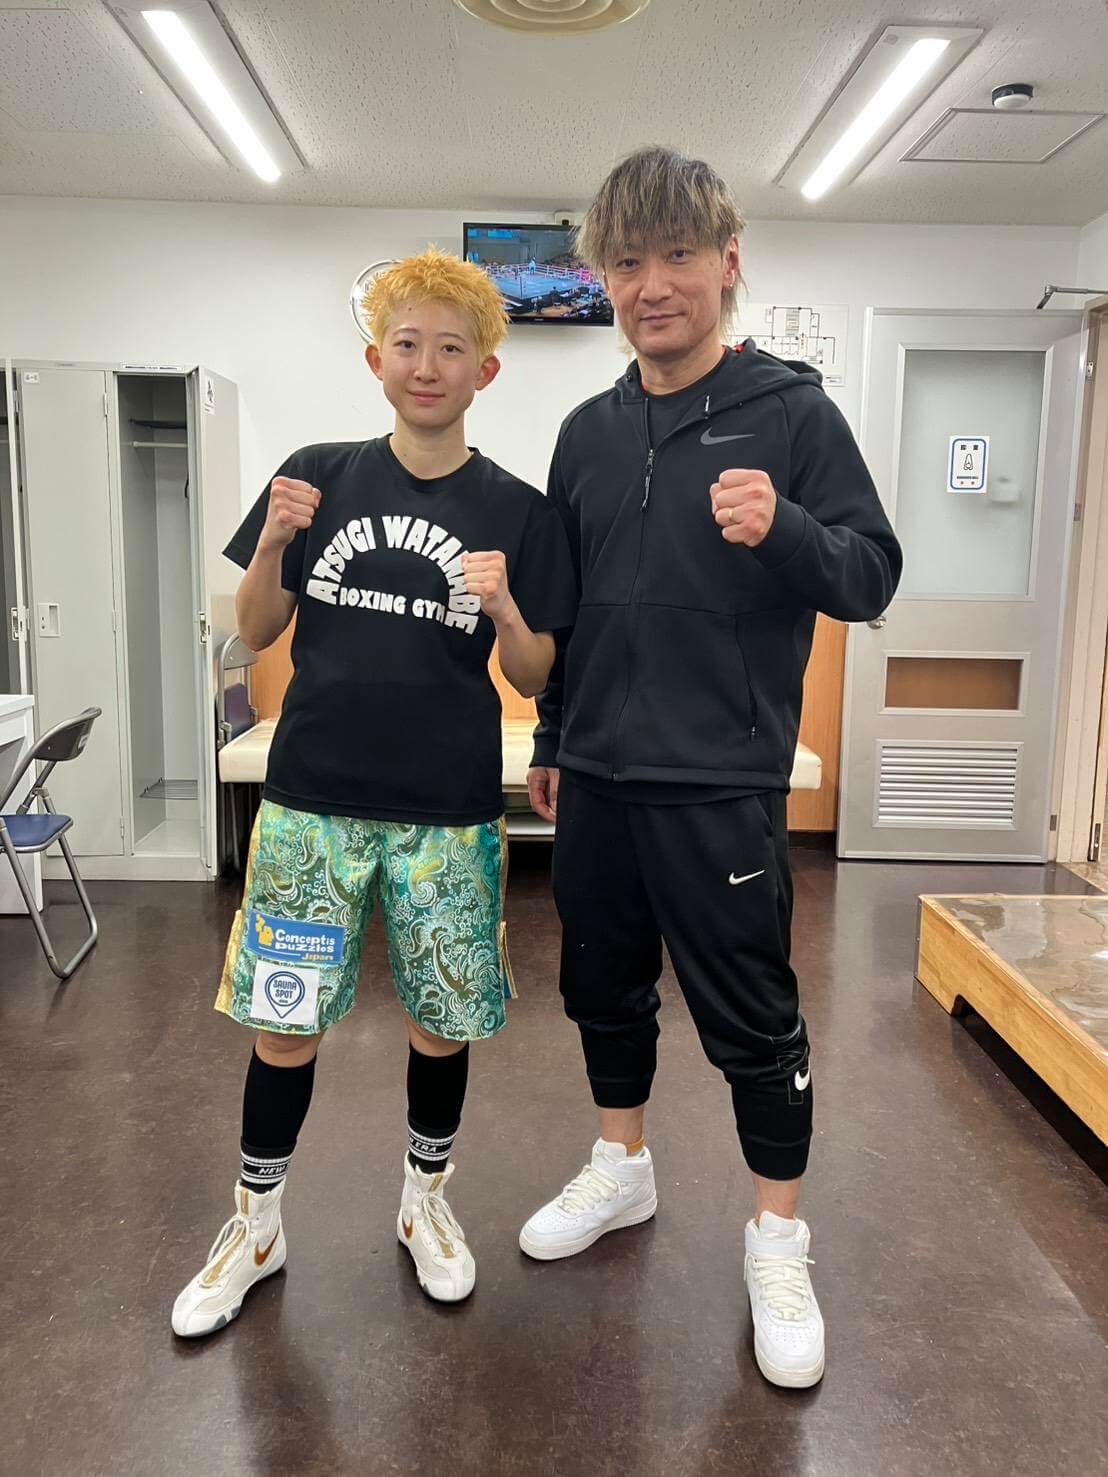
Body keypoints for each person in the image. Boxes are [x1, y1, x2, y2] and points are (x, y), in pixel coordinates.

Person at [518, 147, 902, 1389]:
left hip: (721, 780)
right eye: (625, 261)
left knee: (752, 1018)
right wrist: (552, 740)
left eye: (676, 255)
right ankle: (621, 1164)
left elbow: (871, 575)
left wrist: (784, 529)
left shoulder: (793, 414)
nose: (651, 284)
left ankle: (776, 1238)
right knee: (601, 988)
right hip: (598, 775)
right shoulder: (585, 432)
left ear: (728, 263)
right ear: (602, 279)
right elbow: (566, 612)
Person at [171, 248, 577, 1335]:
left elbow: (535, 673)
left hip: (446, 809)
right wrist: (271, 542)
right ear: (375, 361)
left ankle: (423, 1203)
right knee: (283, 1021)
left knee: (441, 1023)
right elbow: (256, 630)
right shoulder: (316, 476)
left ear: (486, 370)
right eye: (407, 345)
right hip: (312, 802)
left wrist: (505, 612)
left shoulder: (518, 510)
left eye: (451, 348)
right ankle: (256, 1225)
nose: (427, 365)